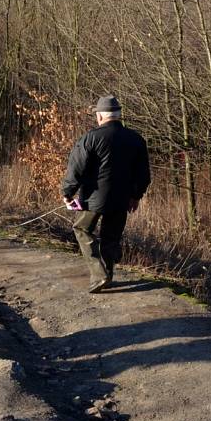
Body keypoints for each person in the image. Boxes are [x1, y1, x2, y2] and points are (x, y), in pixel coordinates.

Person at [62, 96, 151, 293]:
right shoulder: (136, 139)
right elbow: (143, 174)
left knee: (82, 229)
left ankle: (99, 274)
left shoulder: (91, 138)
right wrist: (136, 196)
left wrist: (68, 193)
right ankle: (107, 275)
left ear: (101, 116)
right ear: (118, 116)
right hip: (122, 199)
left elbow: (76, 168)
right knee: (111, 237)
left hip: (93, 198)